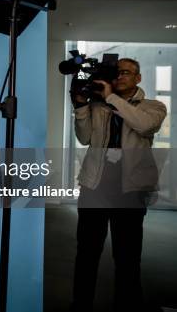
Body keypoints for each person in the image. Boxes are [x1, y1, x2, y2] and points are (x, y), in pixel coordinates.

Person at [70, 58, 167, 312]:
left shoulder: (153, 106)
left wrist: (112, 98)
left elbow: (144, 126)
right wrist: (81, 108)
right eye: (117, 72)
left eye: (126, 72)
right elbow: (84, 138)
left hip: (131, 190)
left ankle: (128, 306)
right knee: (87, 254)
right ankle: (80, 306)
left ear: (138, 78)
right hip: (95, 186)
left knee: (127, 256)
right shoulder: (99, 105)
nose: (120, 76)